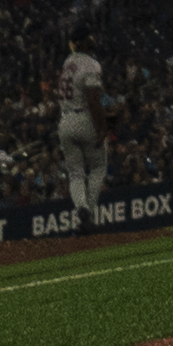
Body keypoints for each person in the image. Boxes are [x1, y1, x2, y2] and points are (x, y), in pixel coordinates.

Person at [50, 41, 107, 220]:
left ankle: (81, 207)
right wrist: (102, 126)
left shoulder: (68, 63)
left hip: (65, 119)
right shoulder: (91, 64)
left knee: (75, 173)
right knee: (98, 167)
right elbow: (92, 99)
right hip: (83, 118)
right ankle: (88, 212)